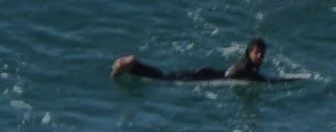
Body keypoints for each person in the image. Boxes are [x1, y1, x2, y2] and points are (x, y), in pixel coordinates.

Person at [112, 37, 268, 82]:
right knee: (165, 77)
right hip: (203, 76)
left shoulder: (248, 67)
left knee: (165, 75)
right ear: (248, 52)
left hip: (207, 74)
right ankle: (132, 66)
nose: (259, 56)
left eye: (261, 53)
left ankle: (132, 68)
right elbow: (235, 71)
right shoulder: (244, 67)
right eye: (256, 52)